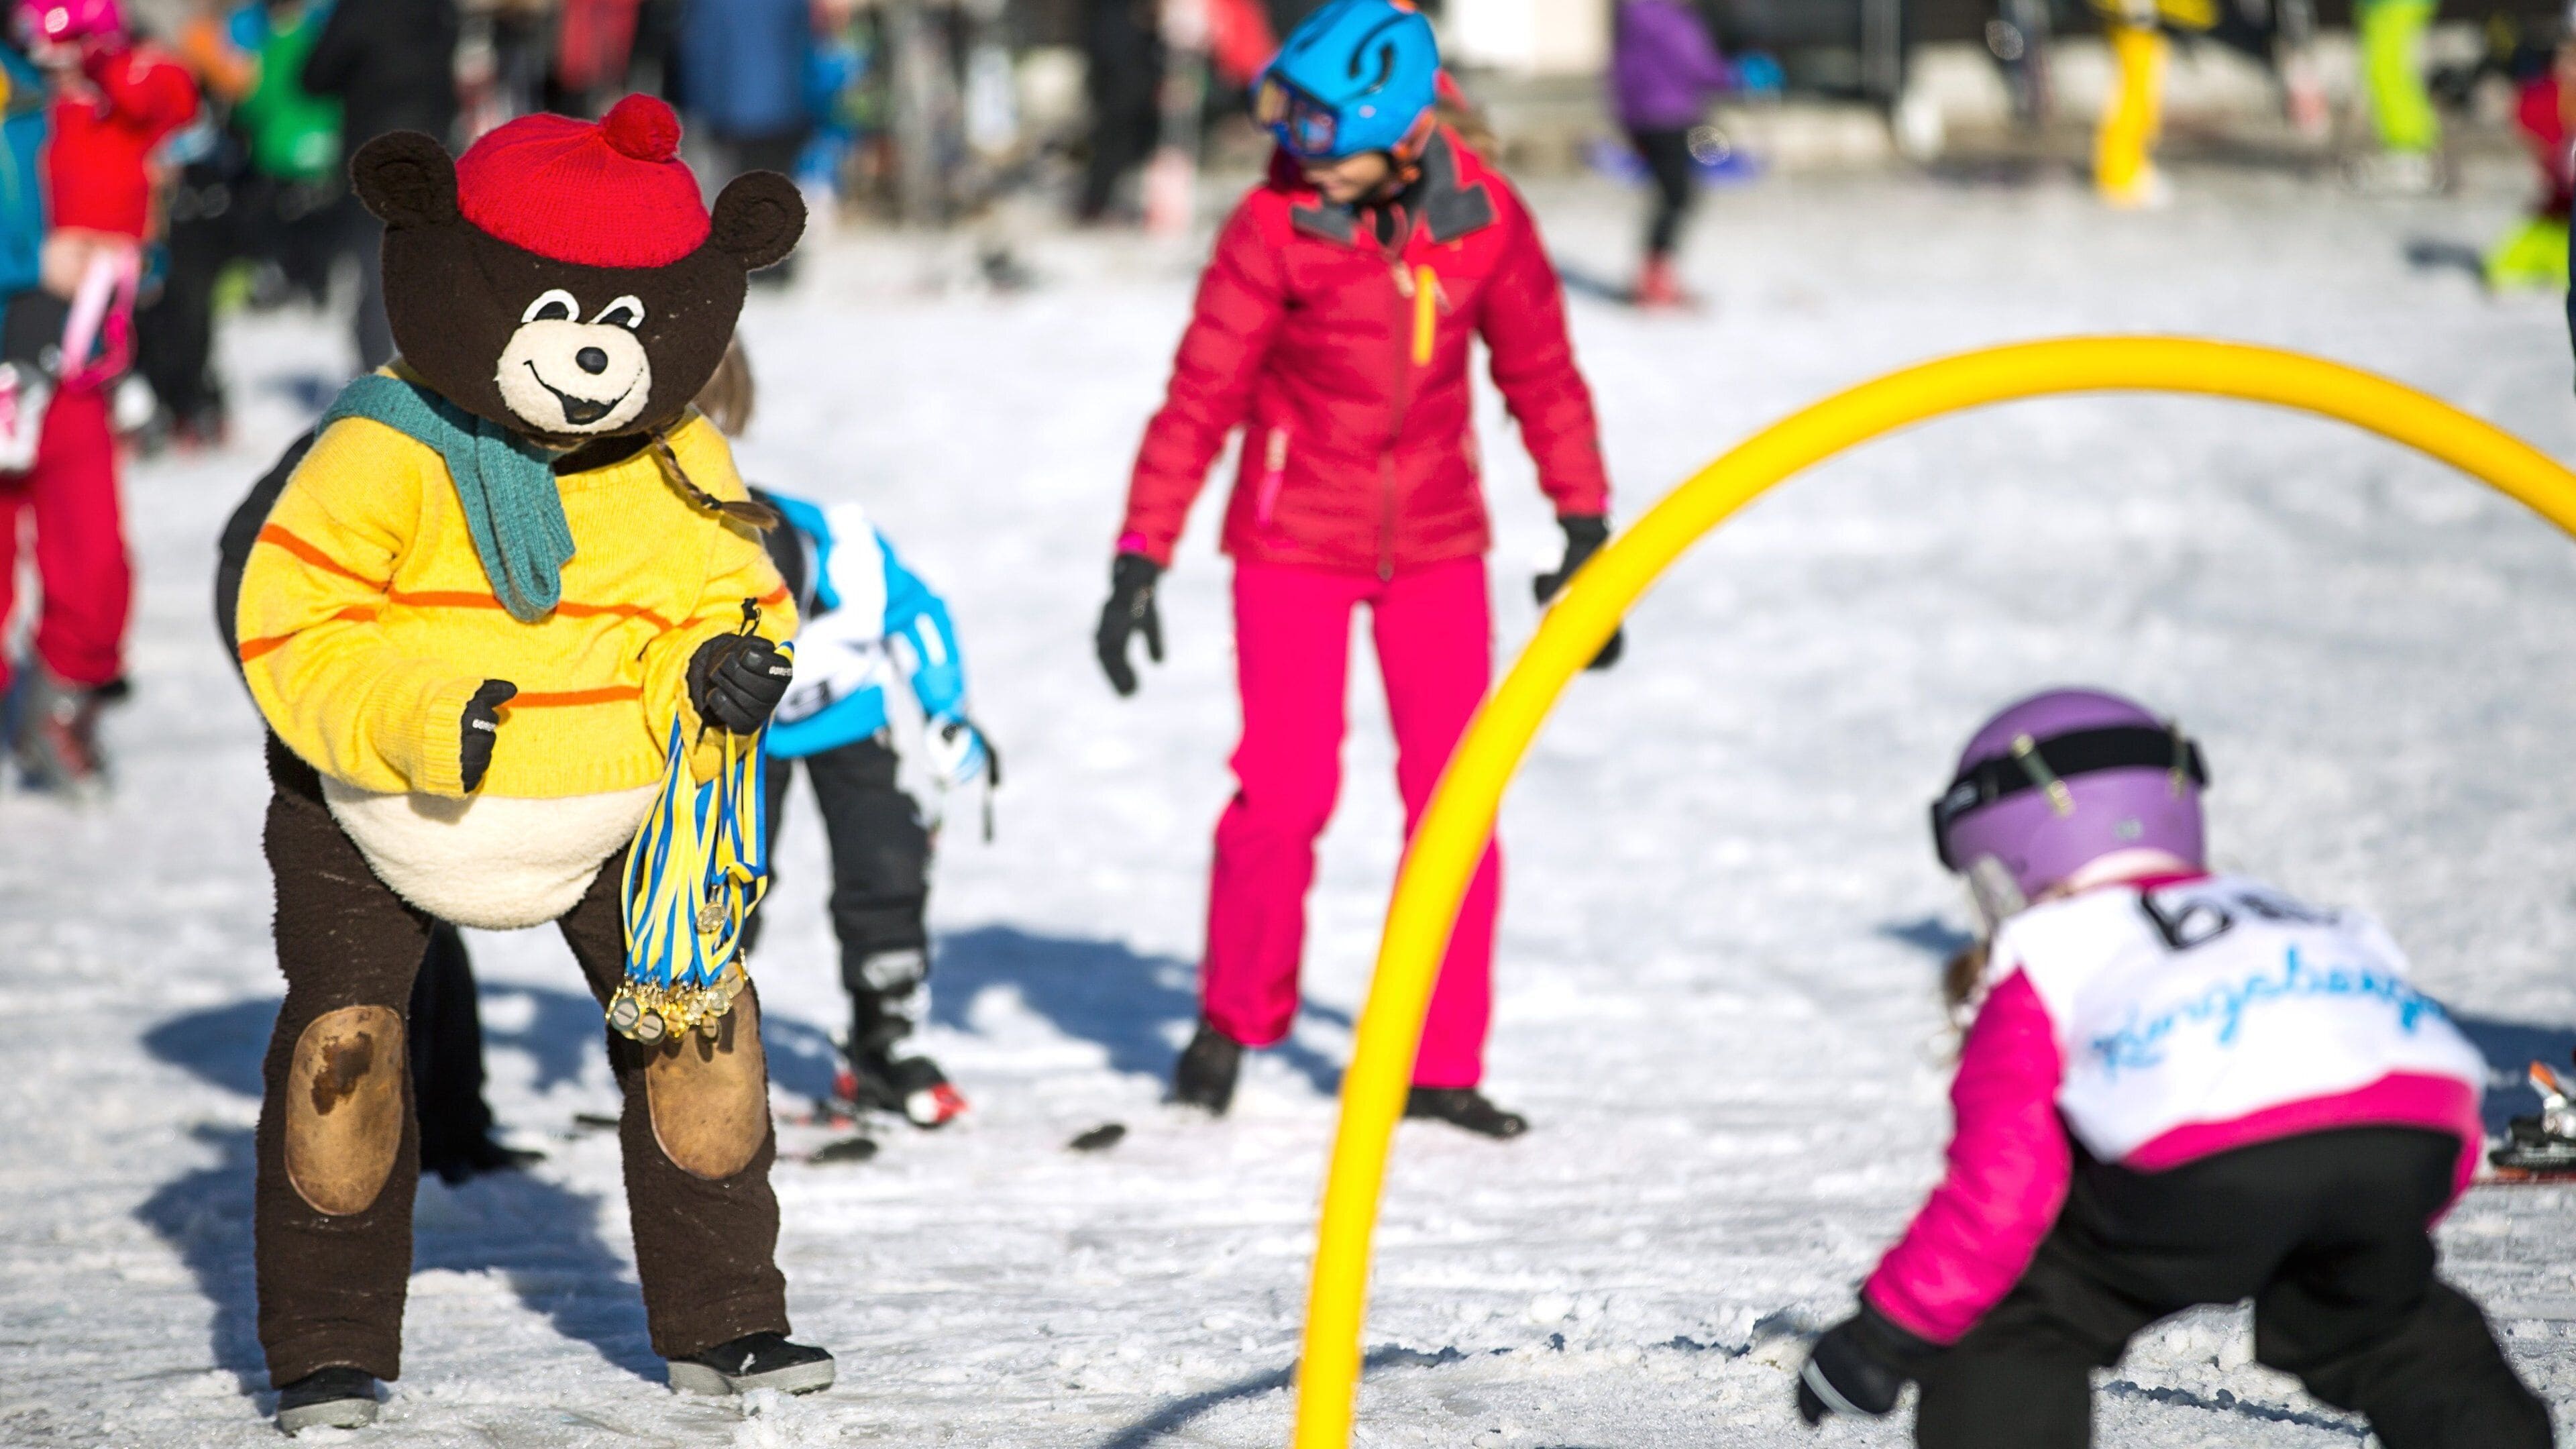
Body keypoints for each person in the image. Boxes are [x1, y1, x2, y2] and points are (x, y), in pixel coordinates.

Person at [1097, 0, 1619, 1138]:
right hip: (1293, 538)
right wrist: (1142, 554)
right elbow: (1200, 398)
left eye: (1324, 133)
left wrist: (1583, 522)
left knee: (1456, 797)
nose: (1298, 153)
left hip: (1438, 542)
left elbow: (1543, 374)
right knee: (1284, 793)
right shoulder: (1273, 225)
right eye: (1291, 123)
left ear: (1404, 130)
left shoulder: (1486, 219)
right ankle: (1233, 1018)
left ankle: (1438, 1061)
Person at [1794, 688, 2553, 1448]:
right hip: (2411, 1144)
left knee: (2017, 1319)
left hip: (2206, 1166)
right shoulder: (2297, 915)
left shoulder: (2049, 952)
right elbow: (2419, 1077)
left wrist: (1885, 1335)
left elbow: (2005, 1180)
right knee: (2386, 1320)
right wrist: (2360, 1226)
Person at [700, 339, 996, 1130]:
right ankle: (703, 1040)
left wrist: (945, 711)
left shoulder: (851, 552)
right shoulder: (700, 564)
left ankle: (885, 1038)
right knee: (724, 877)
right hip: (745, 739)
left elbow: (919, 615)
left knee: (886, 861)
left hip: (849, 722)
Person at [6, 0, 195, 793]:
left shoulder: (107, 98)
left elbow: (172, 101)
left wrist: (108, 60)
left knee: (91, 556)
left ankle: (61, 700)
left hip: (72, 369)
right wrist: (36, 262)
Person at [299, 0, 459, 370]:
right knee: (423, 267)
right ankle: (430, 372)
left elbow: (314, 78)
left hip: (372, 154)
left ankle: (378, 375)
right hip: (430, 150)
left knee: (378, 271)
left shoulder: (358, 8)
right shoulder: (438, 8)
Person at [1609, 0, 1729, 309]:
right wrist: (1733, 75)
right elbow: (1696, 64)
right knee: (1678, 196)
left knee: (1670, 195)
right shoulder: (1672, 19)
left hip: (1645, 118)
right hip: (1672, 116)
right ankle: (1655, 281)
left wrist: (1626, 119)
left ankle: (1653, 277)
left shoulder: (1633, 15)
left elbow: (1620, 70)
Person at [1076, 0, 1160, 223]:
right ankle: (1097, 203)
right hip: (1121, 74)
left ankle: (1100, 202)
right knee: (1113, 140)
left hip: (1121, 70)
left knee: (1122, 139)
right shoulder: (1114, 17)